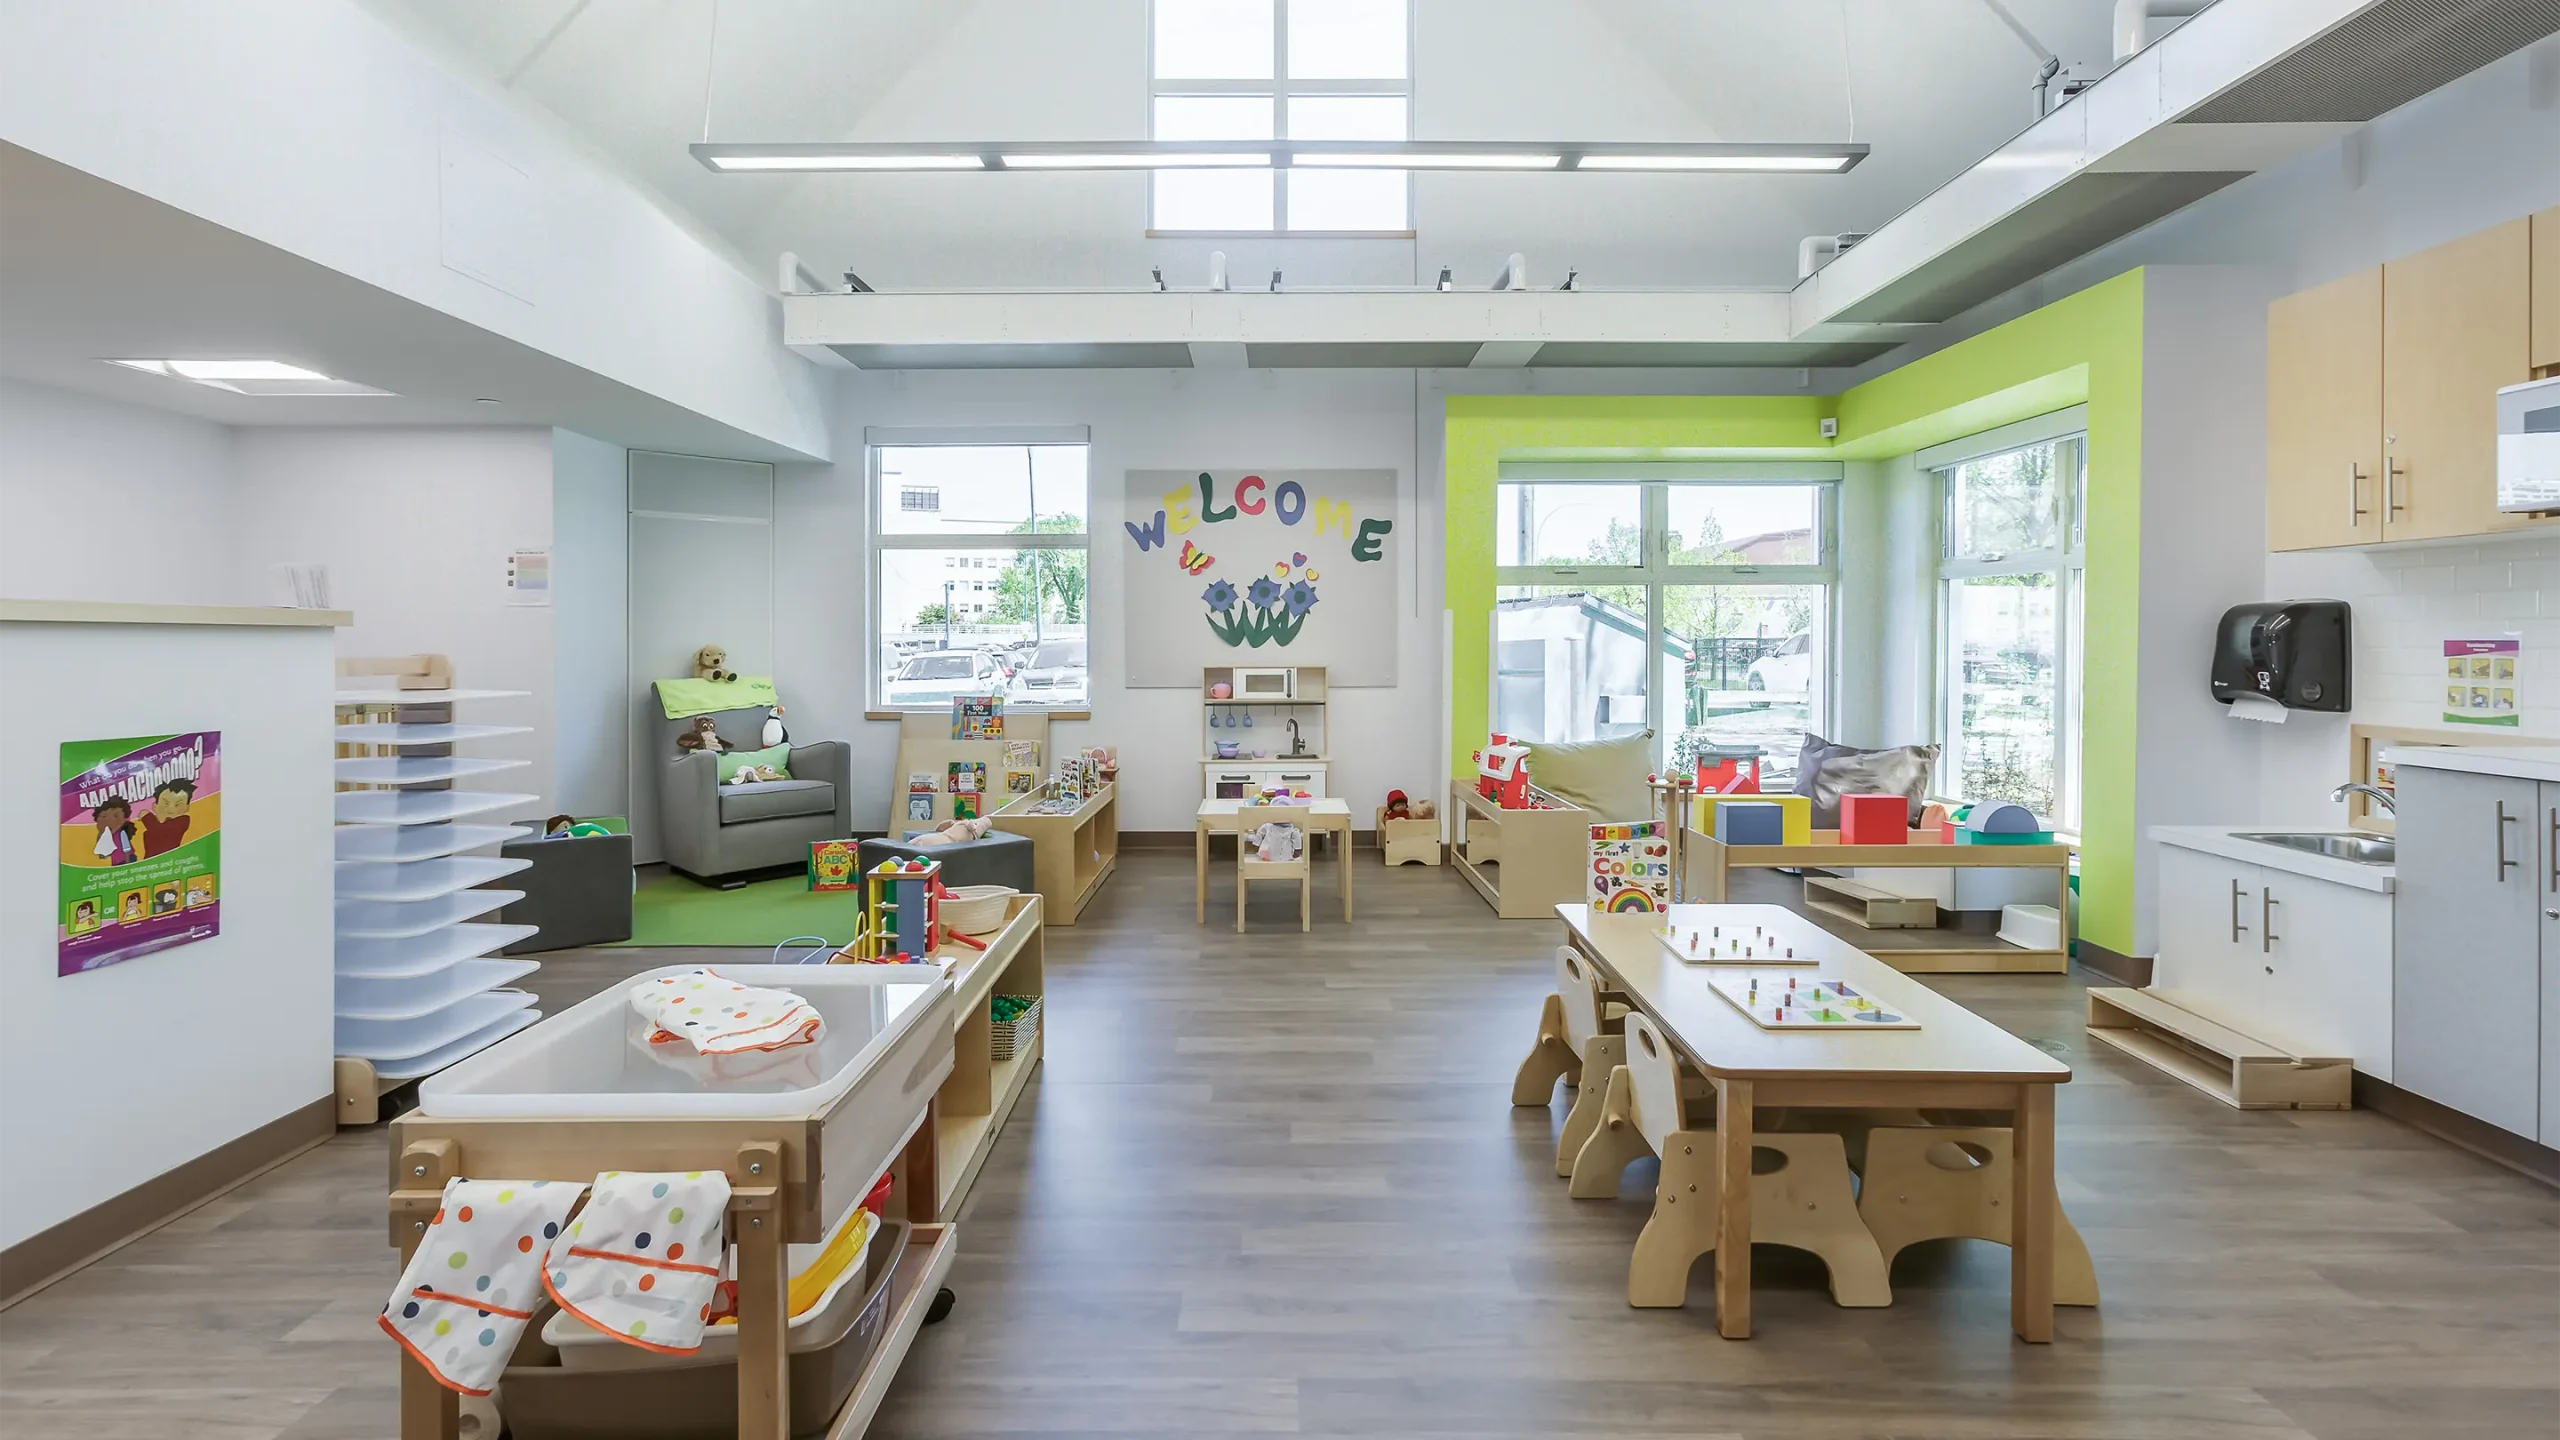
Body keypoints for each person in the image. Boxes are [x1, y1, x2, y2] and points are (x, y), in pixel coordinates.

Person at [138, 778, 194, 857]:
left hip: (171, 863)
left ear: (187, 807)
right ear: (155, 807)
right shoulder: (153, 826)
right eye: (165, 804)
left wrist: (146, 817)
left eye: (177, 805)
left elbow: (160, 831)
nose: (170, 810)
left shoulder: (183, 821)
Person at [91, 796, 137, 866]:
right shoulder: (108, 836)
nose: (110, 821)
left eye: (116, 816)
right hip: (116, 862)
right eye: (104, 816)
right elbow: (109, 850)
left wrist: (128, 862)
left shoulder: (121, 833)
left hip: (127, 860)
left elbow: (126, 848)